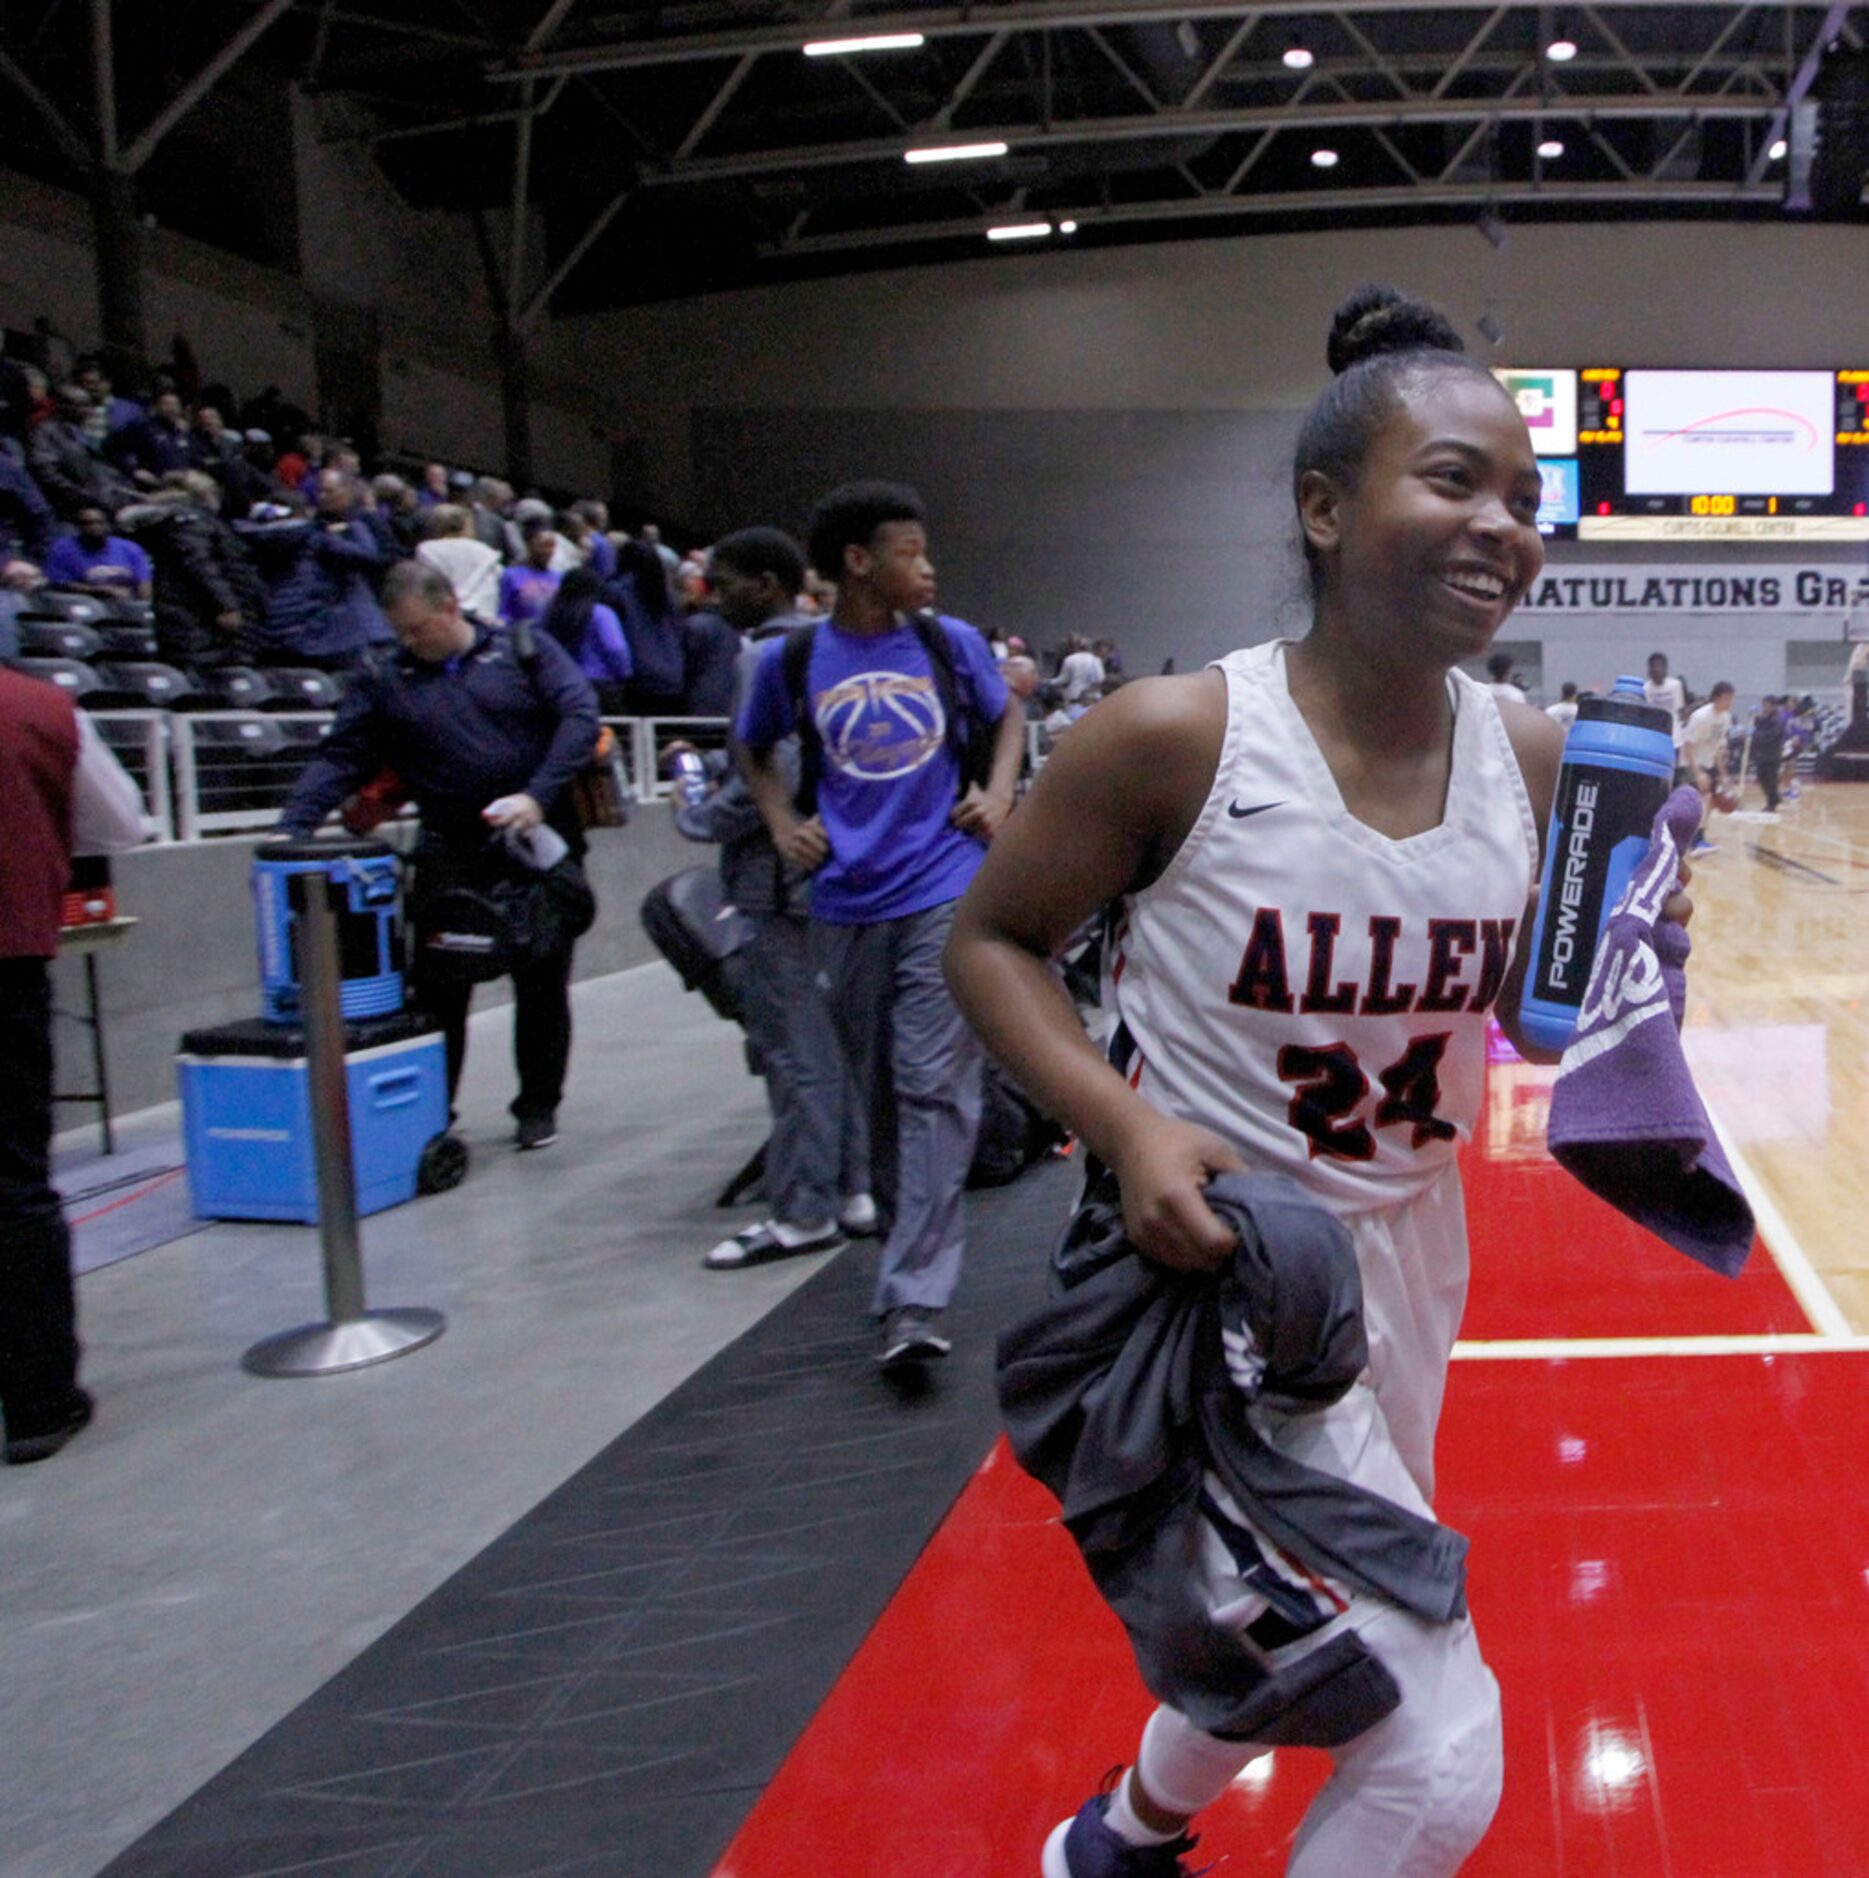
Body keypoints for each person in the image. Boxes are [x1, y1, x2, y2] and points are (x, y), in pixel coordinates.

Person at [946, 286, 1694, 1877]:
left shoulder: (1540, 757)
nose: (1502, 525)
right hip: (1225, 1273)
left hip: (1411, 1256)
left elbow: (1521, 1022)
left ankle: (1115, 1841)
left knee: (1304, 1609)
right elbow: (993, 942)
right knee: (1437, 1752)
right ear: (1322, 505)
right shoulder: (1175, 736)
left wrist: (1616, 943)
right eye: (1453, 480)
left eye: (1525, 501)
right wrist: (1130, 1123)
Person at [735, 482, 1024, 1368]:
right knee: (881, 1094)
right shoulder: (788, 664)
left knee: (933, 1084)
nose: (927, 567)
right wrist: (782, 822)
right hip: (844, 900)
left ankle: (915, 1297)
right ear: (858, 563)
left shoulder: (949, 644)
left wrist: (1000, 790)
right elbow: (751, 750)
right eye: (909, 551)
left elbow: (1007, 711)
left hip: (944, 886)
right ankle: (906, 1253)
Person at [278, 562, 599, 1149]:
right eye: (399, 633)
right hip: (451, 851)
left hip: (536, 845)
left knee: (542, 985)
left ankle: (537, 1106)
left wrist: (536, 795)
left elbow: (579, 718)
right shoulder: (385, 677)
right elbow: (341, 757)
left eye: (418, 630)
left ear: (450, 607)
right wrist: (291, 829)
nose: (409, 643)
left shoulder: (525, 650)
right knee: (439, 989)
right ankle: (432, 1112)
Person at [671, 525, 876, 1269]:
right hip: (838, 887)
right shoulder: (842, 649)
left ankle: (801, 1212)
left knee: (793, 1057)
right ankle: (853, 1190)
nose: (711, 595)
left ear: (765, 583)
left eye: (723, 582)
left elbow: (772, 768)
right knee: (837, 1050)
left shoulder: (767, 656)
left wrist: (694, 813)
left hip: (779, 888)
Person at [1, 666, 146, 1464]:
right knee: (14, 1186)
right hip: (6, 966)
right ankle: (35, 1405)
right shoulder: (38, 707)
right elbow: (119, 824)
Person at [539, 566, 634, 709]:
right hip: (600, 685)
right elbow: (615, 648)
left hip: (562, 684)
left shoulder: (551, 615)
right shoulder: (600, 614)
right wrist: (625, 673)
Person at [43, 503, 153, 600]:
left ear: (108, 525)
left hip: (127, 603)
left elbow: (144, 582)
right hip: (86, 603)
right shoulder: (62, 549)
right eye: (87, 523)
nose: (94, 527)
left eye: (99, 522)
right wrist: (99, 591)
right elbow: (58, 583)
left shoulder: (130, 548)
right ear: (78, 527)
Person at [415, 503, 502, 620]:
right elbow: (501, 577)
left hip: (448, 616)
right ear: (465, 525)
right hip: (485, 614)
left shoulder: (425, 549)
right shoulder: (484, 550)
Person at [1681, 680, 1735, 850]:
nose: (1730, 703)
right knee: (1704, 799)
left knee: (1709, 803)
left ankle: (1698, 837)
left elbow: (1717, 747)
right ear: (1716, 698)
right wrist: (1697, 773)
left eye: (1731, 699)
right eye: (1727, 698)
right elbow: (1688, 747)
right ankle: (1696, 841)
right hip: (1691, 762)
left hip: (1709, 762)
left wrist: (1723, 774)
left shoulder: (1726, 718)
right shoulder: (1701, 717)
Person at [498, 523, 562, 628]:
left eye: (551, 546)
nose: (548, 551)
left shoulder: (559, 577)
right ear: (529, 545)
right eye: (543, 546)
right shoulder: (511, 575)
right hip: (520, 635)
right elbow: (503, 612)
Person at [1643, 651, 1688, 773]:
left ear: (1665, 668)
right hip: (1655, 737)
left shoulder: (1675, 685)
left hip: (1674, 738)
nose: (1657, 670)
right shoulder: (1646, 689)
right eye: (1654, 666)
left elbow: (1681, 711)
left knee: (1675, 771)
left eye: (1660, 666)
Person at [1749, 693, 1788, 813]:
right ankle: (1774, 799)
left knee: (1770, 780)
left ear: (1773, 706)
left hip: (1772, 755)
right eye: (1763, 705)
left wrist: (1754, 735)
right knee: (1762, 777)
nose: (1764, 708)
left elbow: (1769, 736)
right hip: (1762, 755)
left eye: (1766, 705)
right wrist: (1753, 717)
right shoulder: (1766, 718)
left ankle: (1772, 803)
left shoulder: (1778, 720)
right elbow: (1759, 722)